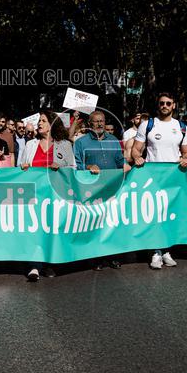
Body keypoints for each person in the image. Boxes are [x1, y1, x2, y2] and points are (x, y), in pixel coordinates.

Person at [132, 92, 187, 269]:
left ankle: (166, 250)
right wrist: (137, 157)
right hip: (152, 177)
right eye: (161, 103)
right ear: (158, 106)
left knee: (169, 215)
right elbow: (136, 149)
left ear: (174, 106)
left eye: (168, 103)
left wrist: (186, 158)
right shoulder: (147, 124)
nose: (164, 105)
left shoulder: (181, 126)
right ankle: (156, 252)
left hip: (173, 177)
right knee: (155, 214)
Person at [19, 109, 75, 281]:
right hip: (35, 195)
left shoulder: (65, 144)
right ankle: (35, 264)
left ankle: (50, 263)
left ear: (52, 124)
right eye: (39, 121)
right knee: (35, 228)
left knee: (51, 229)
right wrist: (24, 167)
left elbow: (73, 169)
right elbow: (20, 168)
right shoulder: (30, 145)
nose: (39, 123)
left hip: (55, 195)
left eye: (43, 120)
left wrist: (61, 168)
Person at [75, 110, 130, 271]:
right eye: (96, 121)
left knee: (112, 223)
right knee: (96, 223)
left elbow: (120, 159)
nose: (100, 124)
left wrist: (125, 164)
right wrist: (88, 167)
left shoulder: (113, 140)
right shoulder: (81, 142)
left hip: (113, 188)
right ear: (89, 124)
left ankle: (113, 256)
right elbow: (76, 165)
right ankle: (95, 258)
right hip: (92, 190)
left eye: (102, 121)